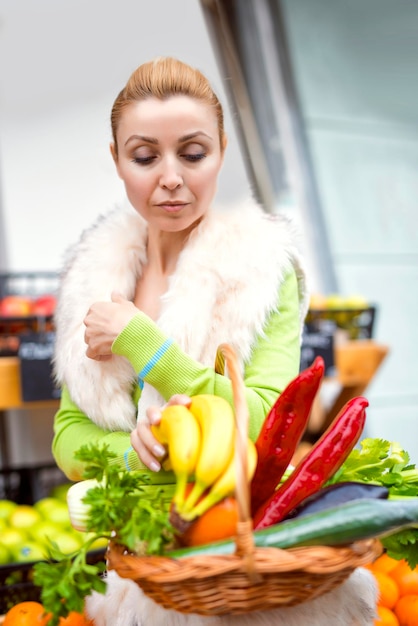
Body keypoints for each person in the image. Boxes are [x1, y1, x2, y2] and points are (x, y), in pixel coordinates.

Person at [52, 57, 377, 626]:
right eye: (145, 156)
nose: (171, 176)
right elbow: (67, 435)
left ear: (222, 151)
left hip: (237, 575)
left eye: (193, 153)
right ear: (117, 161)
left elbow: (263, 424)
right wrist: (131, 451)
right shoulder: (91, 279)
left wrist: (145, 345)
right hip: (137, 570)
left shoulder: (263, 271)